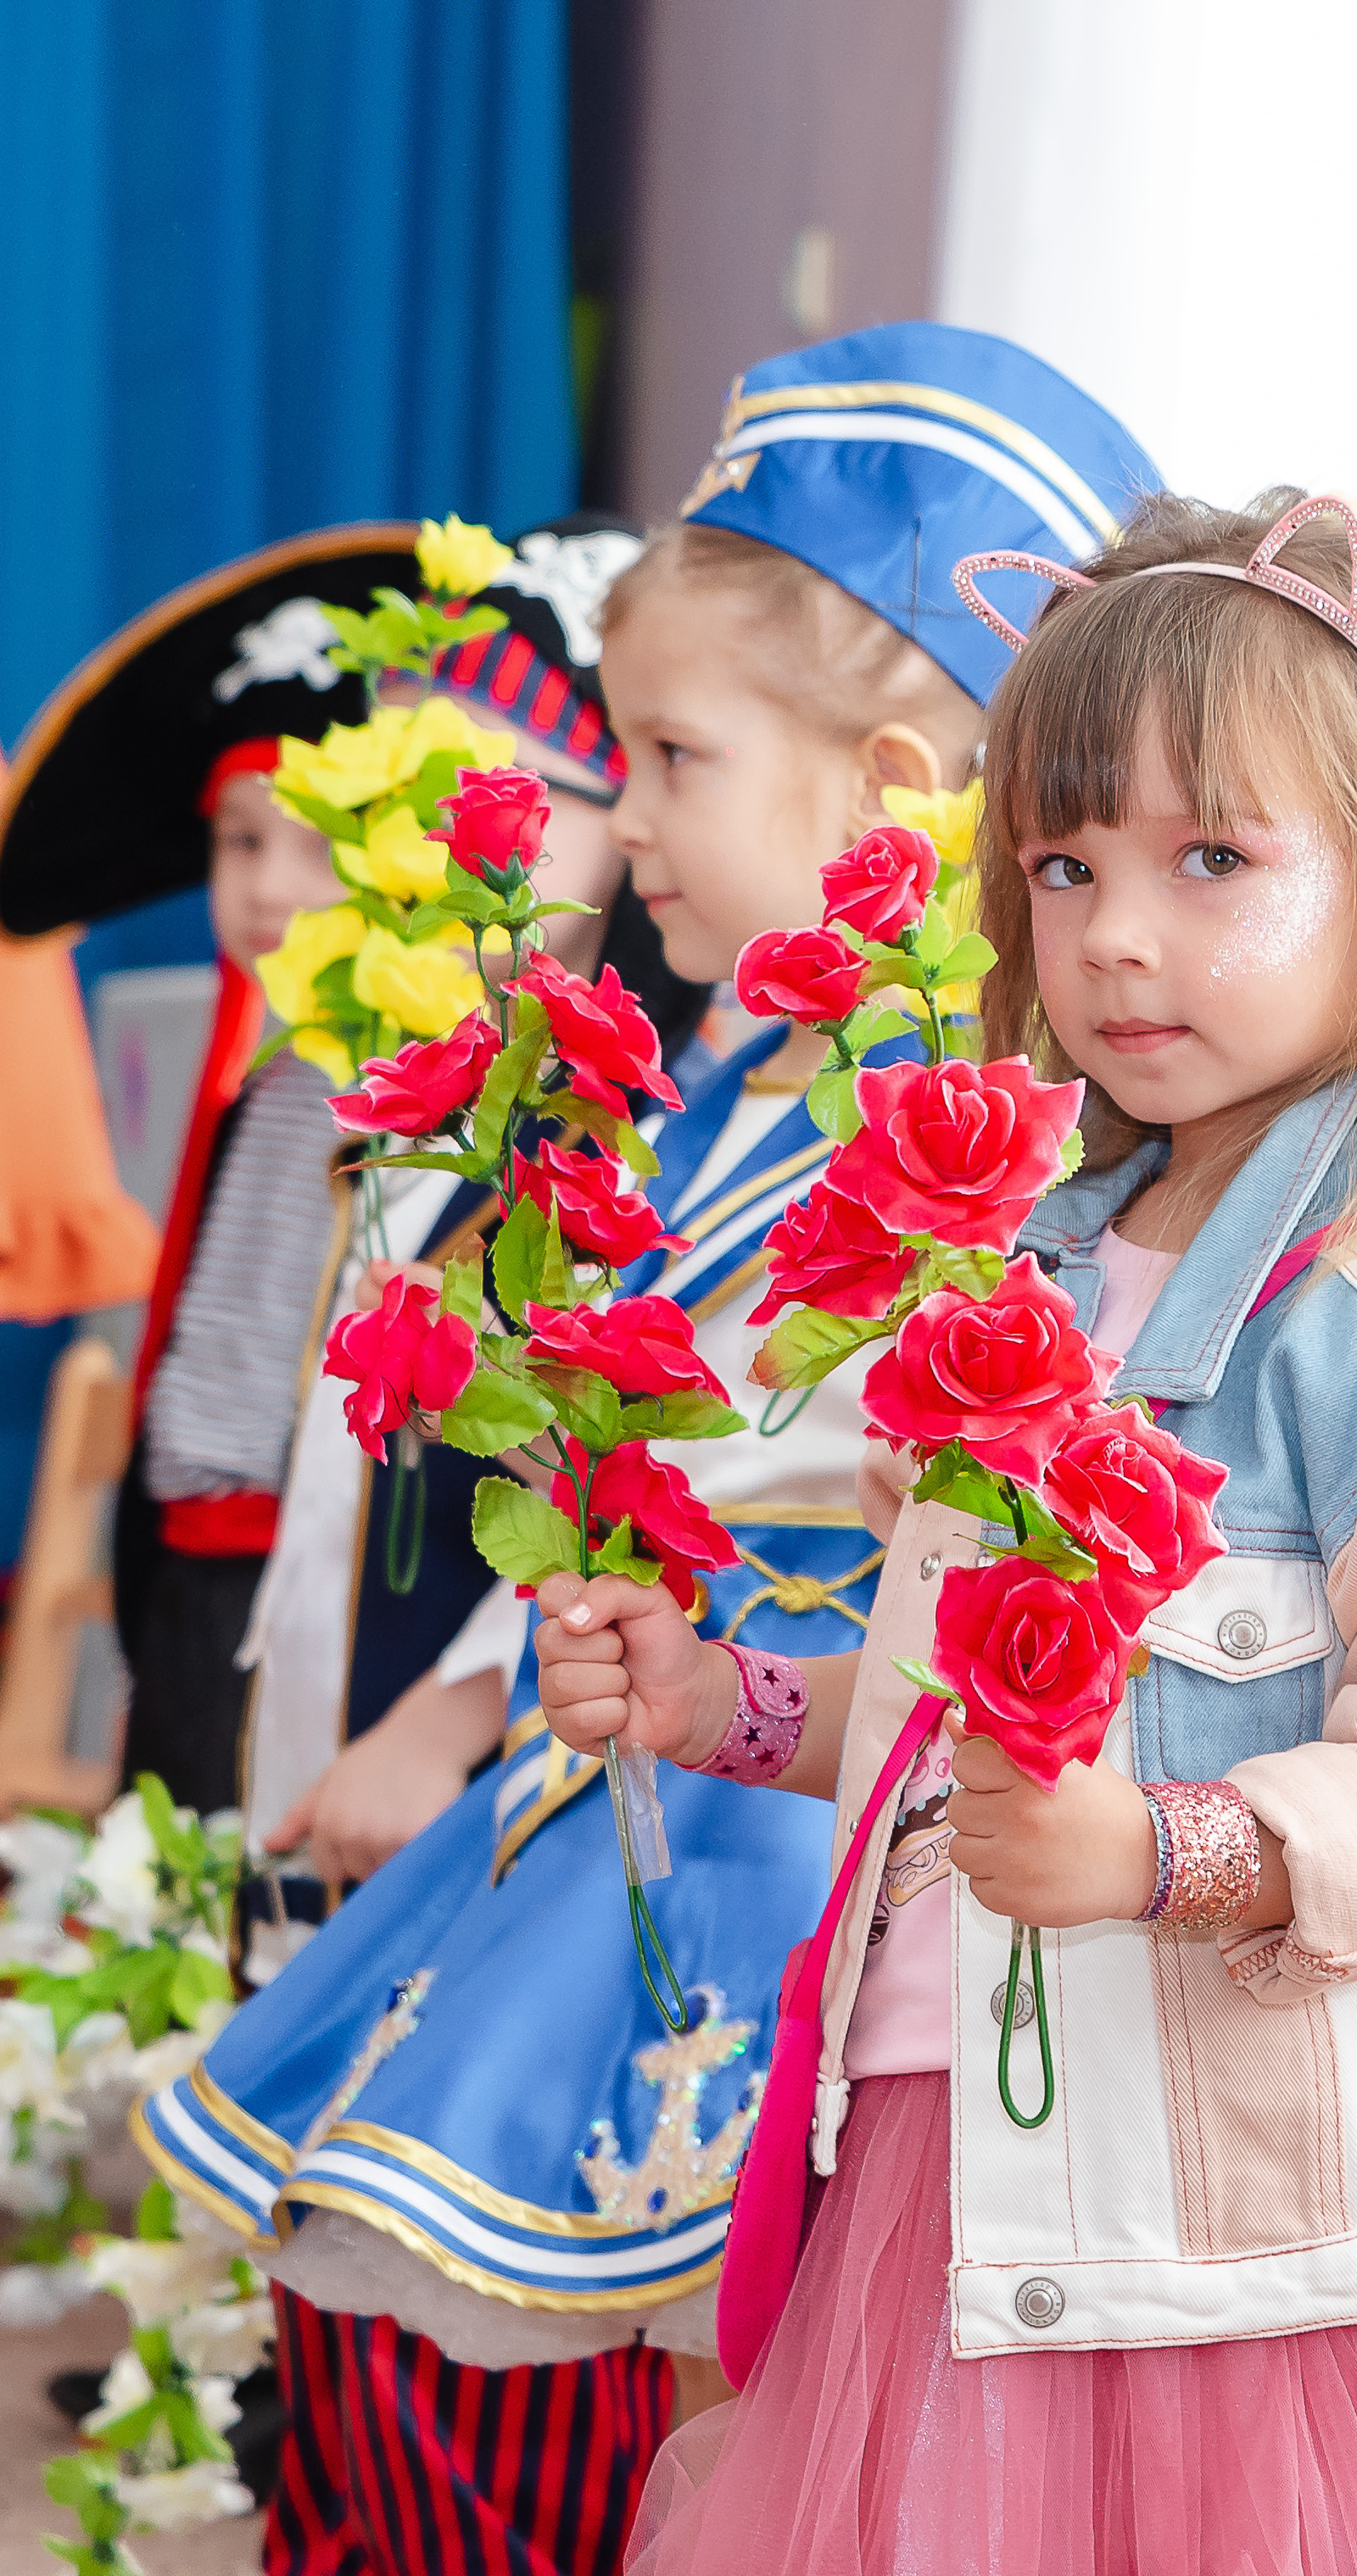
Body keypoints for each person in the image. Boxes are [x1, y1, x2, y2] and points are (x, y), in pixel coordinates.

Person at [535, 491, 1357, 2575]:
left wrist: (1164, 1852)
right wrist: (723, 1695)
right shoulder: (1012, 1289)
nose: (1116, 932)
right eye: (1065, 865)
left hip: (1222, 2256)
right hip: (948, 2165)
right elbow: (944, 1705)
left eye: (1208, 859)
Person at [136, 324, 1160, 2576]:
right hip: (605, 1789)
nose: (629, 821)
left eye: (673, 754)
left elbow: (823, 1523)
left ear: (890, 789)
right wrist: (445, 1692)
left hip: (759, 1870)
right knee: (406, 2407)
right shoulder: (737, 1101)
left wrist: (488, 1693)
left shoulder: (947, 1152)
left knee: (566, 2429)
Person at [236, 513, 710, 1938]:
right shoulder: (405, 1102)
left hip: (492, 1795)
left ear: (620, 820)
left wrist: (453, 1713)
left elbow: (652, 1494)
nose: (418, 849)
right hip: (327, 1778)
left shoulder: (632, 1142)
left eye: (483, 794)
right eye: (390, 798)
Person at [0, 525, 422, 1815]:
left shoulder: (401, 1088)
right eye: (240, 846)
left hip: (299, 1562)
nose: (266, 891)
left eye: (312, 845)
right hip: (190, 1540)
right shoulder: (259, 1076)